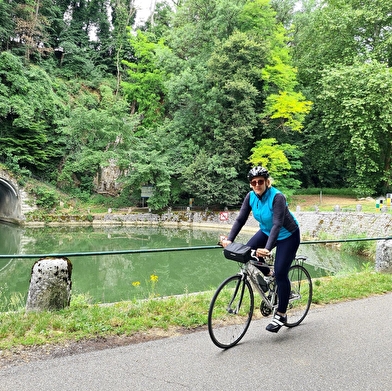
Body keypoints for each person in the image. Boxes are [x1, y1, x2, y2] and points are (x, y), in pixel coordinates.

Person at [221, 166, 300, 333]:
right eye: (253, 182)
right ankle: (269, 277)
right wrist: (229, 240)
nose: (257, 185)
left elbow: (278, 224)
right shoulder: (250, 196)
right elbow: (241, 219)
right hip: (265, 231)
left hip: (288, 235)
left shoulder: (277, 197)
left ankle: (281, 313)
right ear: (250, 184)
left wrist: (267, 248)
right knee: (247, 254)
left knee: (280, 272)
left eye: (260, 181)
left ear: (267, 182)